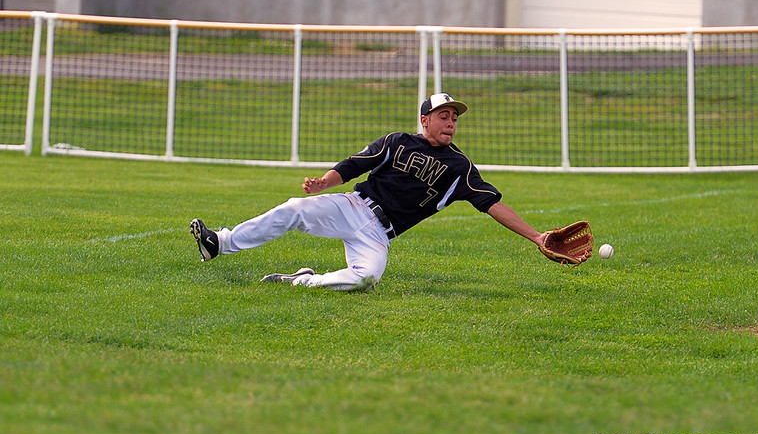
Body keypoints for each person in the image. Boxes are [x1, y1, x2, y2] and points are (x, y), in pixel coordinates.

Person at [190, 93, 589, 291]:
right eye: (443, 116)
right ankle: (219, 242)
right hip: (353, 206)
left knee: (366, 279)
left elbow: (492, 204)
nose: (451, 122)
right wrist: (323, 184)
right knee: (296, 206)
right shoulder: (397, 141)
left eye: (454, 118)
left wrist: (537, 236)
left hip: (379, 234)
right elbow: (354, 165)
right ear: (425, 120)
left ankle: (301, 281)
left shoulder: (460, 168)